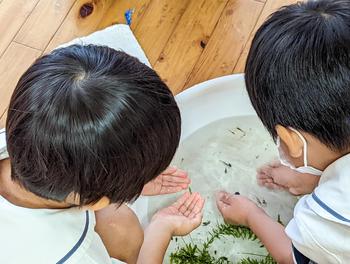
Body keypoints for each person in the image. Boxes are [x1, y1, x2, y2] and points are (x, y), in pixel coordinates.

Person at [0, 44, 204, 264]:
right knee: (127, 231)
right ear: (96, 201)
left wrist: (121, 182)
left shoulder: (17, 139)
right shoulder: (77, 257)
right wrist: (161, 229)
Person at [216, 0, 350, 263]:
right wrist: (315, 179)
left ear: (291, 140)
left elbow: (292, 255)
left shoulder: (331, 215)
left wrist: (250, 216)